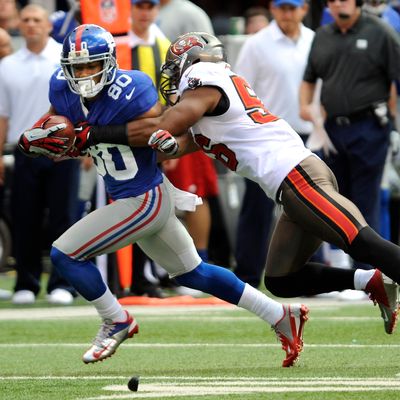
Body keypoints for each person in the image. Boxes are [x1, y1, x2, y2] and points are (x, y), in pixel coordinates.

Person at [49, 31, 400, 336]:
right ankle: (370, 283)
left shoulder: (204, 77)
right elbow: (169, 145)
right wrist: (77, 145)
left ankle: (377, 273)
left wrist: (88, 132)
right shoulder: (205, 107)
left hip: (299, 176)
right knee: (281, 279)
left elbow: (167, 125)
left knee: (362, 242)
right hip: (288, 188)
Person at [19, 24, 310, 368]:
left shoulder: (133, 87)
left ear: (109, 62)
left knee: (65, 254)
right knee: (193, 273)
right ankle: (280, 314)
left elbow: (159, 129)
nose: (84, 74)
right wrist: (38, 139)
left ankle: (117, 319)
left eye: (91, 65)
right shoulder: (60, 86)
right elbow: (55, 127)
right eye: (77, 67)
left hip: (142, 197)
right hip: (130, 195)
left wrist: (89, 135)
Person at [299, 0, 400, 272]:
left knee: (365, 199)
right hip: (331, 128)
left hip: (369, 125)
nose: (337, 4)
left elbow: (396, 80)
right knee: (334, 197)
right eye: (332, 0)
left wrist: (391, 123)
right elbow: (309, 77)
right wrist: (305, 106)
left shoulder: (380, 31)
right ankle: (344, 267)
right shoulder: (323, 35)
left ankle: (369, 271)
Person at [0, 4, 79, 305]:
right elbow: (2, 116)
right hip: (24, 150)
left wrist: (86, 147)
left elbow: (79, 104)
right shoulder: (8, 65)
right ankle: (27, 283)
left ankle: (63, 284)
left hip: (64, 148)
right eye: (27, 20)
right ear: (20, 25)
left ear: (48, 25)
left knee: (65, 218)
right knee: (25, 218)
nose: (31, 24)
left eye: (37, 20)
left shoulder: (64, 58)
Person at [233, 0, 315, 288]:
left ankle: (295, 272)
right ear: (273, 9)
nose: (287, 14)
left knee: (306, 209)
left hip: (305, 132)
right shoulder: (257, 44)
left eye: (292, 8)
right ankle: (247, 274)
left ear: (304, 9)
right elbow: (240, 91)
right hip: (265, 137)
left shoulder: (313, 40)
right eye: (282, 8)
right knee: (256, 206)